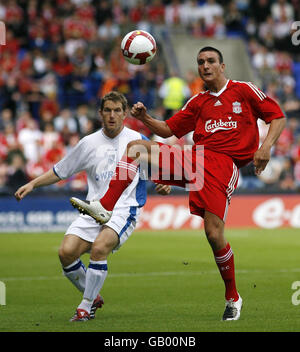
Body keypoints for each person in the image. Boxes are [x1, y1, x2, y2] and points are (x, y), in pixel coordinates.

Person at [70, 47, 286, 321]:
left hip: (223, 165)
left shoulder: (244, 90)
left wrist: (266, 147)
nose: (205, 66)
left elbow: (277, 116)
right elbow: (169, 130)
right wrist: (145, 117)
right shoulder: (197, 102)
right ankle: (105, 206)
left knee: (213, 234)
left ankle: (233, 296)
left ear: (222, 66)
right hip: (196, 158)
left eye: (210, 61)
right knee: (136, 148)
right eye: (200, 62)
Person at [14, 91, 170, 322]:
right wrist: (32, 184)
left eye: (117, 110)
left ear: (125, 114)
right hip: (93, 209)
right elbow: (61, 170)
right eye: (107, 110)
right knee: (66, 253)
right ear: (100, 113)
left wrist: (164, 182)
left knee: (99, 249)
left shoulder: (138, 140)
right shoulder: (88, 143)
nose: (112, 115)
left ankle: (86, 307)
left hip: (124, 209)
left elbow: (161, 166)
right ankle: (93, 295)